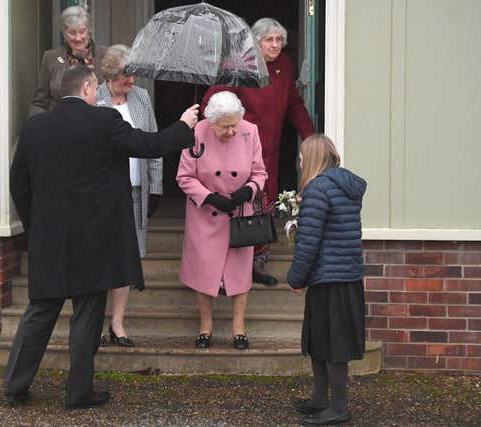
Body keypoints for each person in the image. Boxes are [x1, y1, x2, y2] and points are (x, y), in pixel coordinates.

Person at [5, 64, 199, 409]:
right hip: (94, 239)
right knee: (87, 316)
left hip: (49, 239)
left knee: (39, 312)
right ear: (87, 89)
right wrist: (184, 126)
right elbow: (149, 145)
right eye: (96, 89)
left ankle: (15, 385)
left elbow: (18, 184)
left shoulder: (34, 128)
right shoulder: (104, 121)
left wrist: (38, 227)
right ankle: (78, 393)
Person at [202, 17, 315, 287]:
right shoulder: (240, 65)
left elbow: (294, 105)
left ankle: (257, 264)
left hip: (270, 151)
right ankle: (227, 269)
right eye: (269, 40)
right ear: (256, 42)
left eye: (279, 40)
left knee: (264, 208)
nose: (275, 45)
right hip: (240, 151)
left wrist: (311, 138)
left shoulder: (284, 67)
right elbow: (212, 102)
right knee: (240, 208)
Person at [177, 91, 267, 350]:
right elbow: (184, 177)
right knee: (204, 270)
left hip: (239, 214)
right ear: (211, 121)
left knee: (239, 272)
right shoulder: (196, 132)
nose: (231, 131)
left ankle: (239, 328)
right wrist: (210, 198)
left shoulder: (250, 131)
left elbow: (260, 173)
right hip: (206, 214)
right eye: (225, 126)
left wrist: (247, 191)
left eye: (234, 125)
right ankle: (205, 326)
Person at [286, 134, 366, 425]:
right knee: (321, 340)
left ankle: (338, 407)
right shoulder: (342, 186)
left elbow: (309, 243)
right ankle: (321, 399)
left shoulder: (318, 189)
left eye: (302, 155)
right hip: (343, 276)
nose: (300, 160)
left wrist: (296, 278)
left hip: (329, 277)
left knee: (333, 345)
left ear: (313, 157)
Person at [96, 44, 162, 347]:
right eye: (126, 74)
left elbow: (153, 143)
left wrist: (156, 185)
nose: (132, 79)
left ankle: (117, 323)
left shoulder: (142, 97)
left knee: (126, 257)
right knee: (99, 255)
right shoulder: (94, 99)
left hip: (136, 191)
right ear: (110, 74)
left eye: (134, 73)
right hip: (102, 194)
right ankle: (93, 323)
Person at [29, 5, 103, 117]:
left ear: (89, 31)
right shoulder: (51, 58)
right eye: (72, 33)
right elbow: (40, 102)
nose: (78, 38)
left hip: (96, 123)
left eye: (82, 31)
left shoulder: (105, 55)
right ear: (64, 34)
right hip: (58, 125)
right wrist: (35, 126)